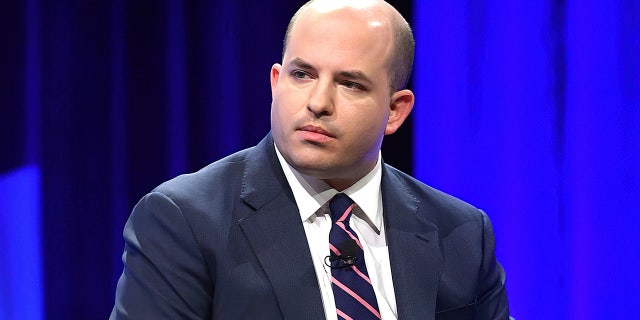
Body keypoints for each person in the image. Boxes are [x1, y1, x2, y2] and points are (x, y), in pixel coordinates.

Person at [110, 0, 511, 319]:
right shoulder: (184, 220)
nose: (318, 103)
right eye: (302, 75)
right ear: (275, 82)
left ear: (395, 111)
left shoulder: (462, 233)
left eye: (350, 83)